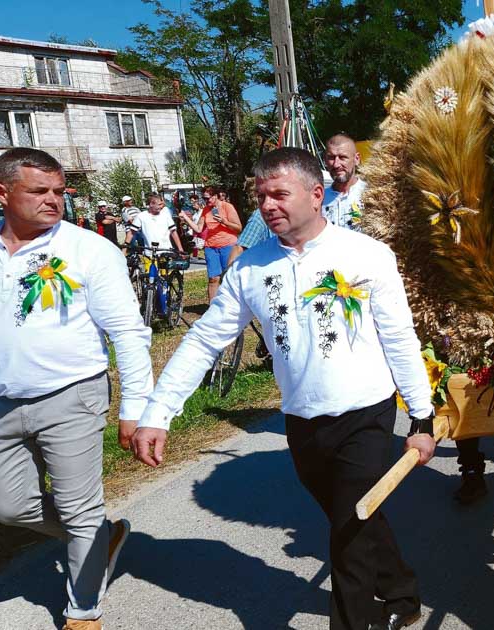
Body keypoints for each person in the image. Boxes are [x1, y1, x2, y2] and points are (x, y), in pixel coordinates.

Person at [133, 147, 436, 630]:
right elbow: (205, 339)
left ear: (316, 195)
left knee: (350, 529)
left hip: (366, 413)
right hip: (302, 418)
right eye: (260, 196)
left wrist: (422, 416)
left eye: (279, 193)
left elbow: (399, 337)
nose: (268, 205)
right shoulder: (251, 269)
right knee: (352, 516)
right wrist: (158, 412)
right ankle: (401, 589)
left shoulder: (366, 255)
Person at [0, 148, 152, 630]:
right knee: (11, 508)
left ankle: (82, 610)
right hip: (3, 402)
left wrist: (136, 406)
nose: (53, 200)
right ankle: (102, 537)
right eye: (39, 191)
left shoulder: (89, 249)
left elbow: (128, 332)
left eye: (59, 191)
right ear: (2, 193)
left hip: (72, 394)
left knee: (78, 510)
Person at [179, 186, 242, 301]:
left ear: (216, 196)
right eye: (204, 198)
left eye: (208, 198)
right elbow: (198, 229)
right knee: (213, 278)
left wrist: (225, 222)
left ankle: (234, 305)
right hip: (211, 247)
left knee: (229, 277)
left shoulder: (227, 207)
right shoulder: (206, 210)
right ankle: (212, 309)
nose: (206, 201)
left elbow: (238, 228)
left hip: (228, 245)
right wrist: (186, 219)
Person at [323, 133, 368, 230]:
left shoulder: (370, 195)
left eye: (342, 157)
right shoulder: (319, 199)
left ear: (356, 159)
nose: (336, 164)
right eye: (331, 158)